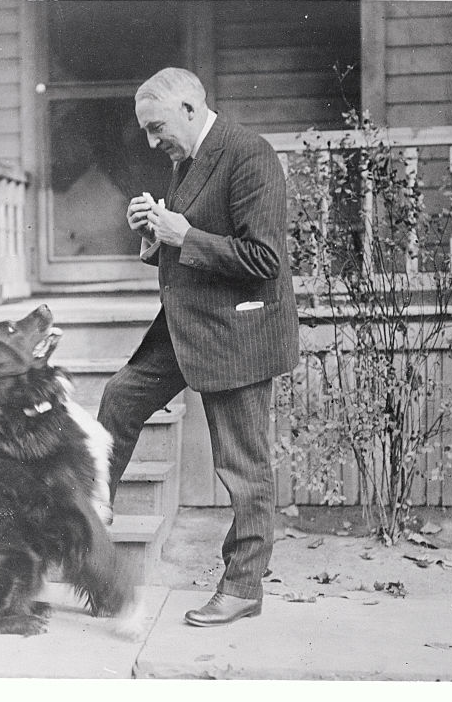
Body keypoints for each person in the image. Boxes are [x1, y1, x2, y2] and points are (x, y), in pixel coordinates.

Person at [97, 67, 300, 627]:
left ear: (190, 109)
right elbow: (186, 237)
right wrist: (151, 236)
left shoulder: (250, 154)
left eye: (157, 127)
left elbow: (264, 261)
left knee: (243, 467)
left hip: (239, 330)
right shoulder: (186, 159)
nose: (151, 142)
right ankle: (88, 516)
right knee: (120, 397)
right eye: (145, 130)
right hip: (187, 323)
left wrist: (181, 234)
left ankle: (242, 587)